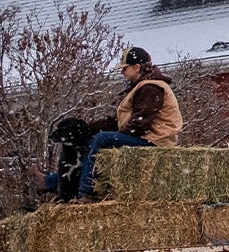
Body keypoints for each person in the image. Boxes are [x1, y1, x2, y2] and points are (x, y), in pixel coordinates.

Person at [53, 46, 183, 199]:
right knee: (95, 139)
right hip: (146, 137)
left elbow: (140, 124)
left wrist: (114, 136)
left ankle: (85, 192)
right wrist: (87, 128)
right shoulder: (141, 87)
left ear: (136, 67)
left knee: (102, 139)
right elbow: (116, 121)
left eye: (125, 68)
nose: (122, 72)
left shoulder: (150, 88)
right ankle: (64, 186)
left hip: (155, 140)